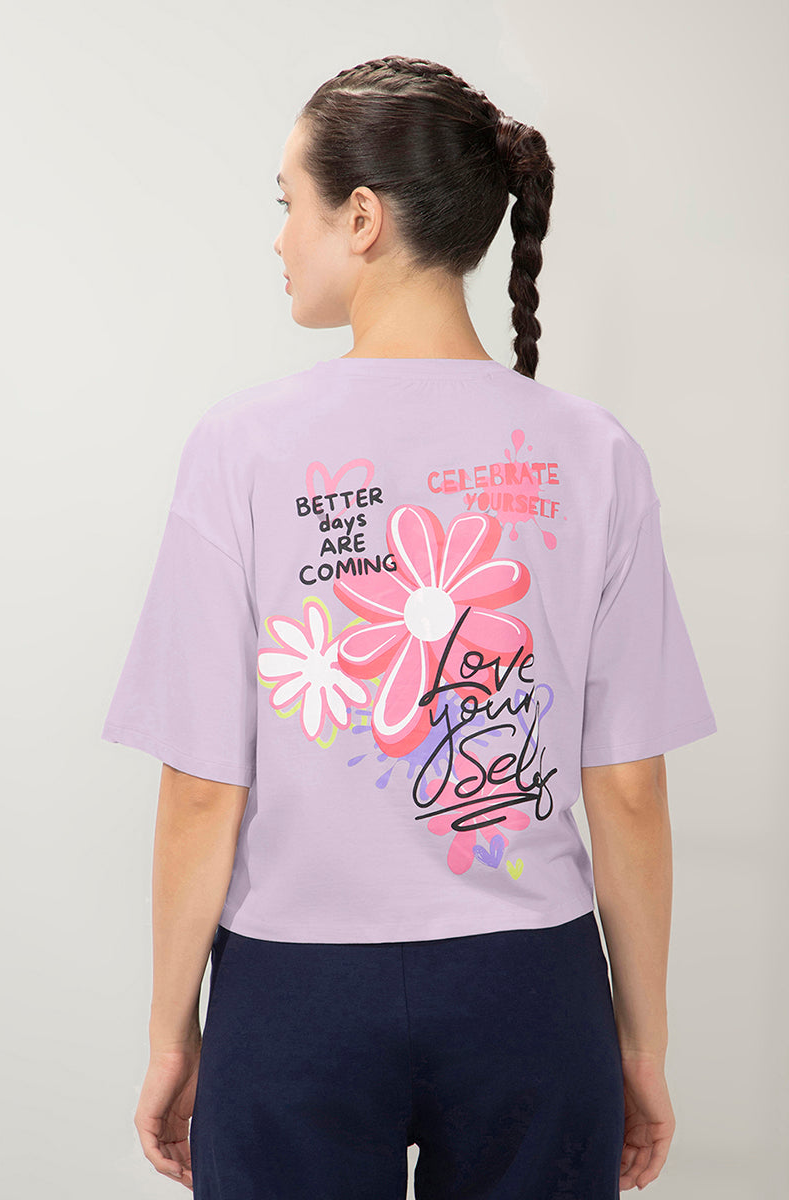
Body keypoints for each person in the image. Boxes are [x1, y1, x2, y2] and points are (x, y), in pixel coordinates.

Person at [100, 55, 717, 1199]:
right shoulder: (592, 453)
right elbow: (627, 787)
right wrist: (639, 1043)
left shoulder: (241, 449)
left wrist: (170, 1035)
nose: (278, 237)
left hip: (295, 994)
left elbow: (200, 788)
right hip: (529, 992)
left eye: (288, 202)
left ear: (361, 218)